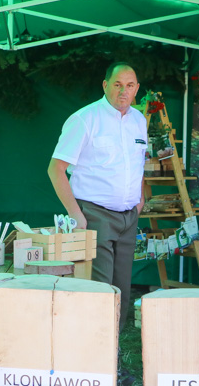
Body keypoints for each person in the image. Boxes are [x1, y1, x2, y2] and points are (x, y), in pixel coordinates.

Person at [47, 62, 147, 333]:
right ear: (105, 85)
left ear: (136, 89)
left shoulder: (139, 120)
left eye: (129, 85)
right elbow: (56, 169)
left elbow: (137, 163)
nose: (123, 91)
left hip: (129, 216)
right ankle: (94, 350)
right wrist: (75, 213)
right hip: (96, 214)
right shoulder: (84, 119)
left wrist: (140, 199)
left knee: (123, 288)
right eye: (117, 84)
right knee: (100, 288)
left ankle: (114, 351)